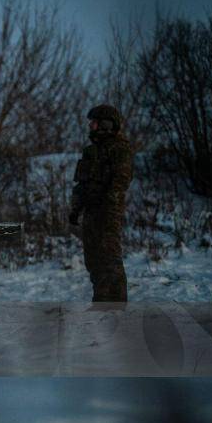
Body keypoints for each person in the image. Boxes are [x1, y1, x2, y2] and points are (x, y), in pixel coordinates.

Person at [69, 104, 134, 302]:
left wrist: (109, 207)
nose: (91, 126)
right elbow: (82, 184)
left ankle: (116, 306)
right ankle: (102, 302)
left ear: (106, 124)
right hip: (91, 212)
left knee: (109, 259)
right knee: (93, 260)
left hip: (108, 212)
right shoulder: (91, 152)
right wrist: (75, 209)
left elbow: (120, 181)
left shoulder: (119, 149)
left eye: (95, 122)